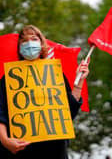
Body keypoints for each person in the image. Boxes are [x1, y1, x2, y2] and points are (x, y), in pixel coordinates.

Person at [0, 25, 90, 159]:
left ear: (42, 44)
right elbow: (0, 112)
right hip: (21, 150)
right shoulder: (9, 77)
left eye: (33, 39)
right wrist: (5, 140)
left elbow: (69, 112)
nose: (29, 43)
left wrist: (79, 83)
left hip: (55, 150)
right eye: (24, 41)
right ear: (19, 48)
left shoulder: (55, 73)